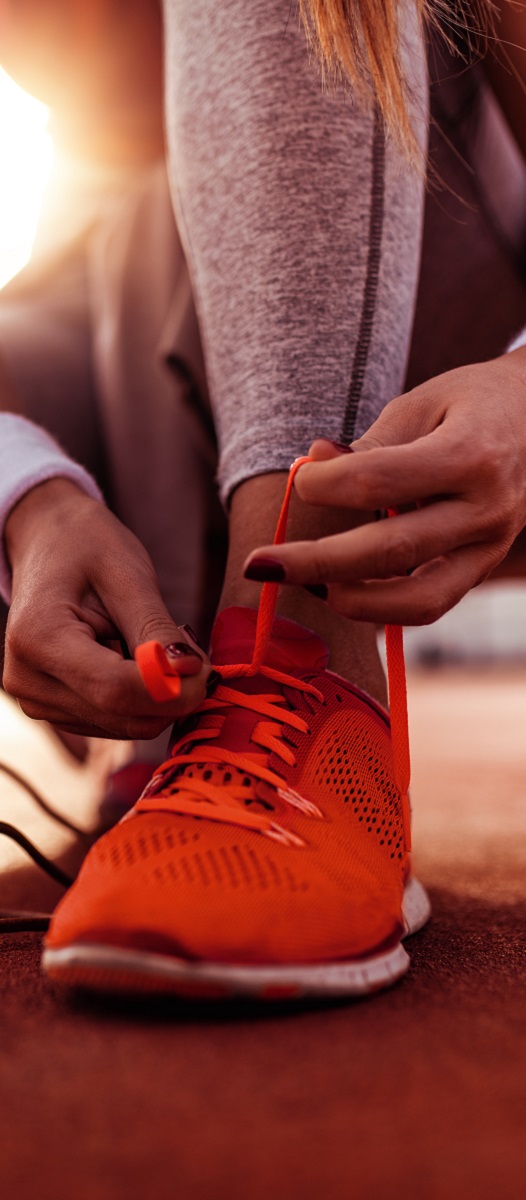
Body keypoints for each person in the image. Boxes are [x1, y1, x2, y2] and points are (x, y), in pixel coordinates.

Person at [3, 0, 526, 999]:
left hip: (471, 295)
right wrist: (27, 493)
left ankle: (300, 681)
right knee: (129, 201)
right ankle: (196, 727)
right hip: (133, 276)